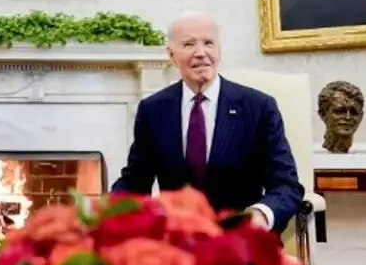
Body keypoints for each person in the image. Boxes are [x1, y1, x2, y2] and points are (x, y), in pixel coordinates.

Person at [112, 12, 304, 233]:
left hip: (241, 239)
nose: (200, 53)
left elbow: (286, 185)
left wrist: (260, 215)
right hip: (178, 241)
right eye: (188, 44)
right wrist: (100, 210)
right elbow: (135, 182)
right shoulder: (152, 109)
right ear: (172, 55)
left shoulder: (259, 107)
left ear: (219, 51)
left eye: (208, 43)